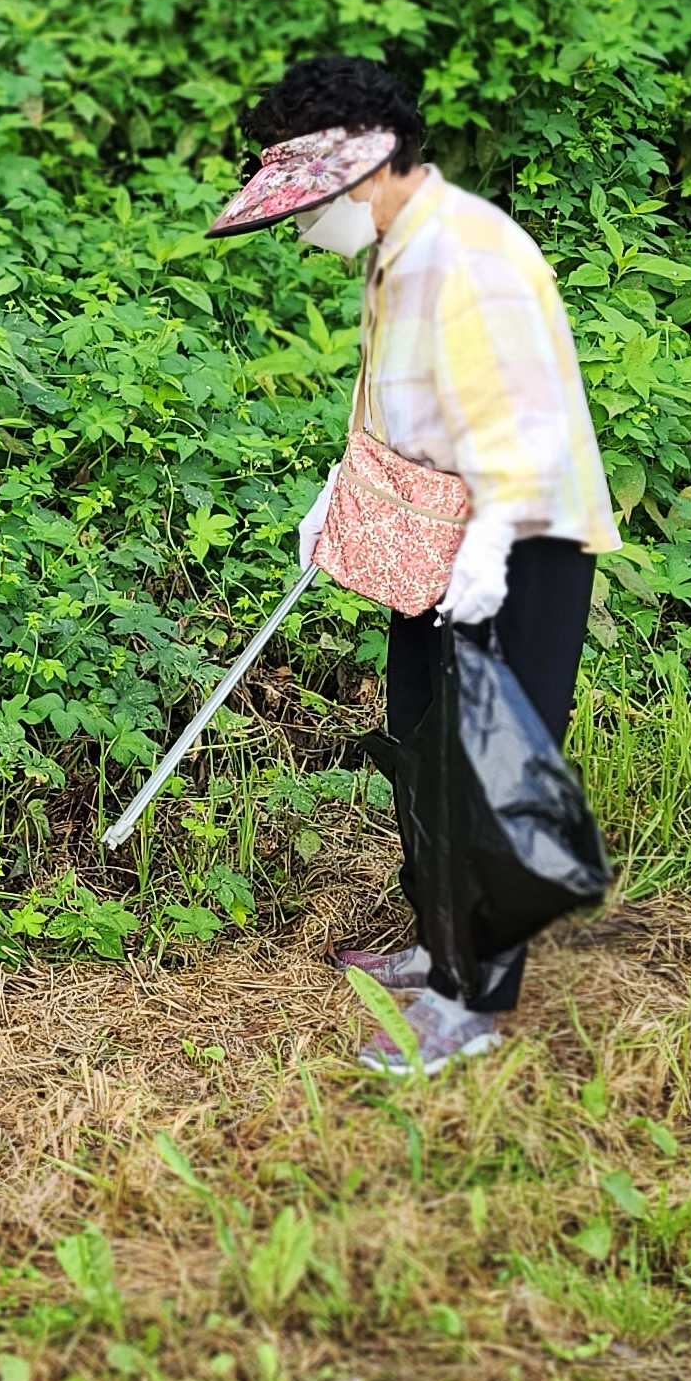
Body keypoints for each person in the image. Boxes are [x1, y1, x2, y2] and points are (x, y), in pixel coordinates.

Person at [206, 55, 620, 1074]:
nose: (305, 225)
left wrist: (491, 547)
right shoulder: (400, 250)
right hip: (435, 536)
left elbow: (524, 423)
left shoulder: (471, 254)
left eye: (312, 202)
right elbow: (403, 405)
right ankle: (437, 944)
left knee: (484, 766)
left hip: (514, 545)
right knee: (424, 744)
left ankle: (469, 1004)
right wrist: (339, 495)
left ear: (373, 164)